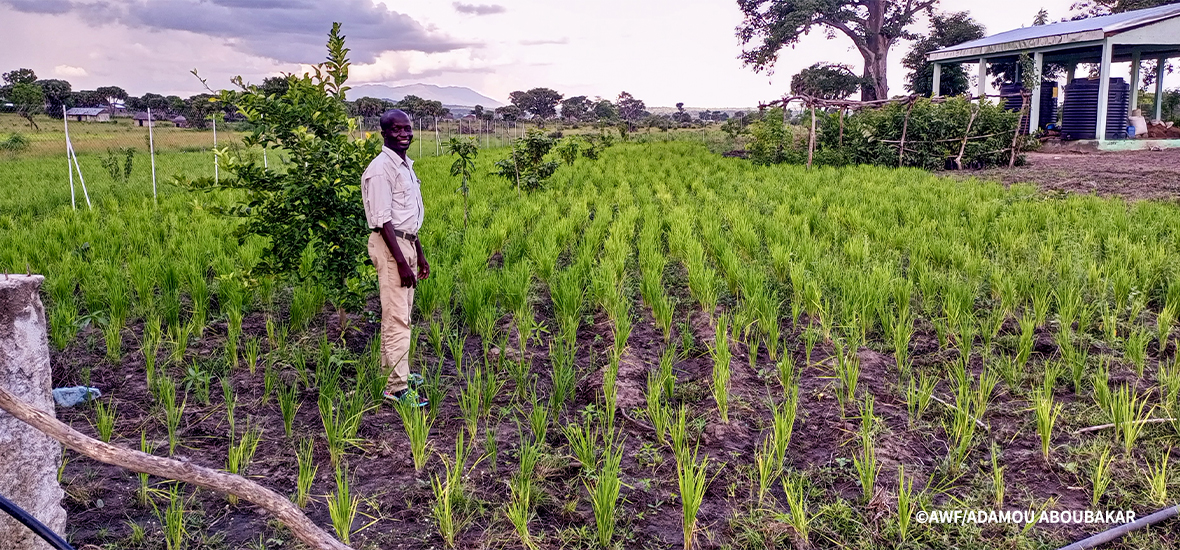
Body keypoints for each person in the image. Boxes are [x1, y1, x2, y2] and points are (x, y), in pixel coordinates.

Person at [361, 109, 430, 407]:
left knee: (402, 313)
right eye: (397, 129)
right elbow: (383, 220)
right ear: (384, 133)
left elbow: (408, 218)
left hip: (407, 244)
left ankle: (392, 373)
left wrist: (419, 254)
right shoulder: (380, 170)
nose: (404, 134)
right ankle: (396, 388)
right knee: (397, 317)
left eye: (408, 129)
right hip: (392, 248)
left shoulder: (404, 166)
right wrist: (401, 261)